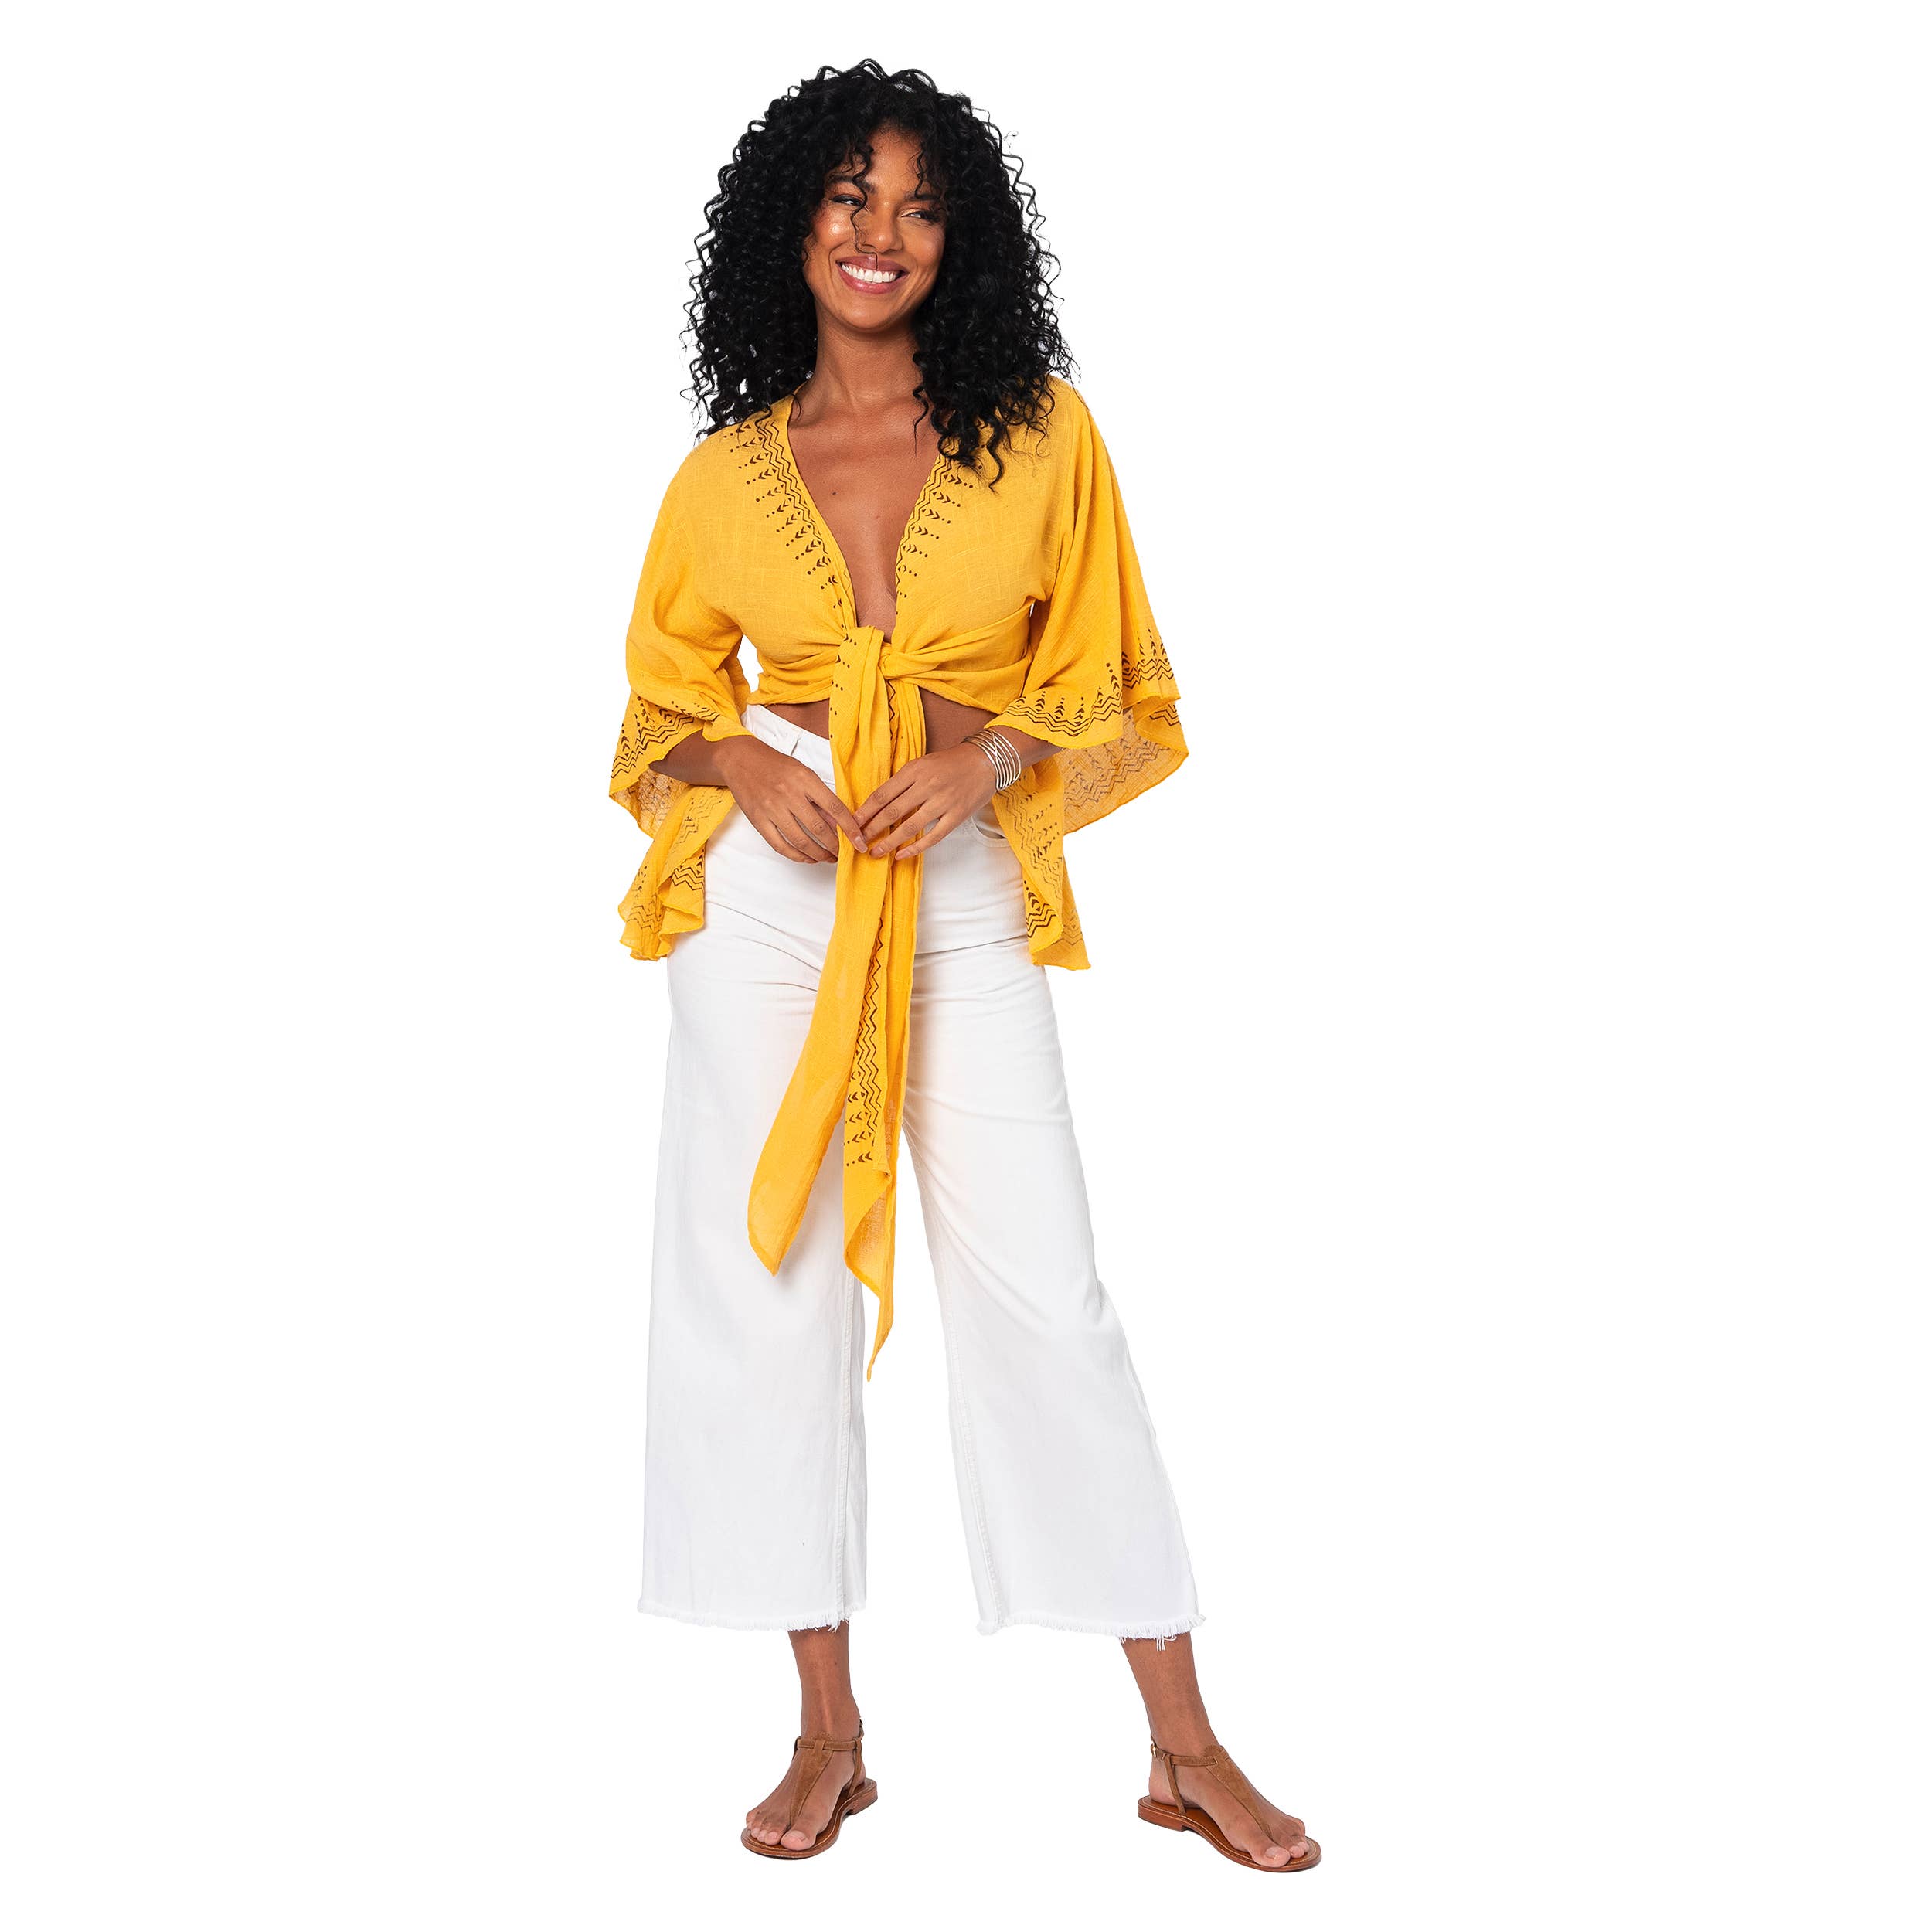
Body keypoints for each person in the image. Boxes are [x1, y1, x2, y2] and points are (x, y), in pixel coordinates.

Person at [607, 60, 1318, 1875]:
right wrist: (739, 758)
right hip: (770, 899)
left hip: (957, 875)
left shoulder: (1040, 437)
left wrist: (988, 759)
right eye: (849, 195)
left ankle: (1182, 1742)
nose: (880, 234)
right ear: (790, 218)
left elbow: (1119, 685)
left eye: (920, 207)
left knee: (1043, 1290)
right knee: (760, 1281)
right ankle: (825, 1730)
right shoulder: (719, 475)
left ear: (963, 242)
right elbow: (658, 708)